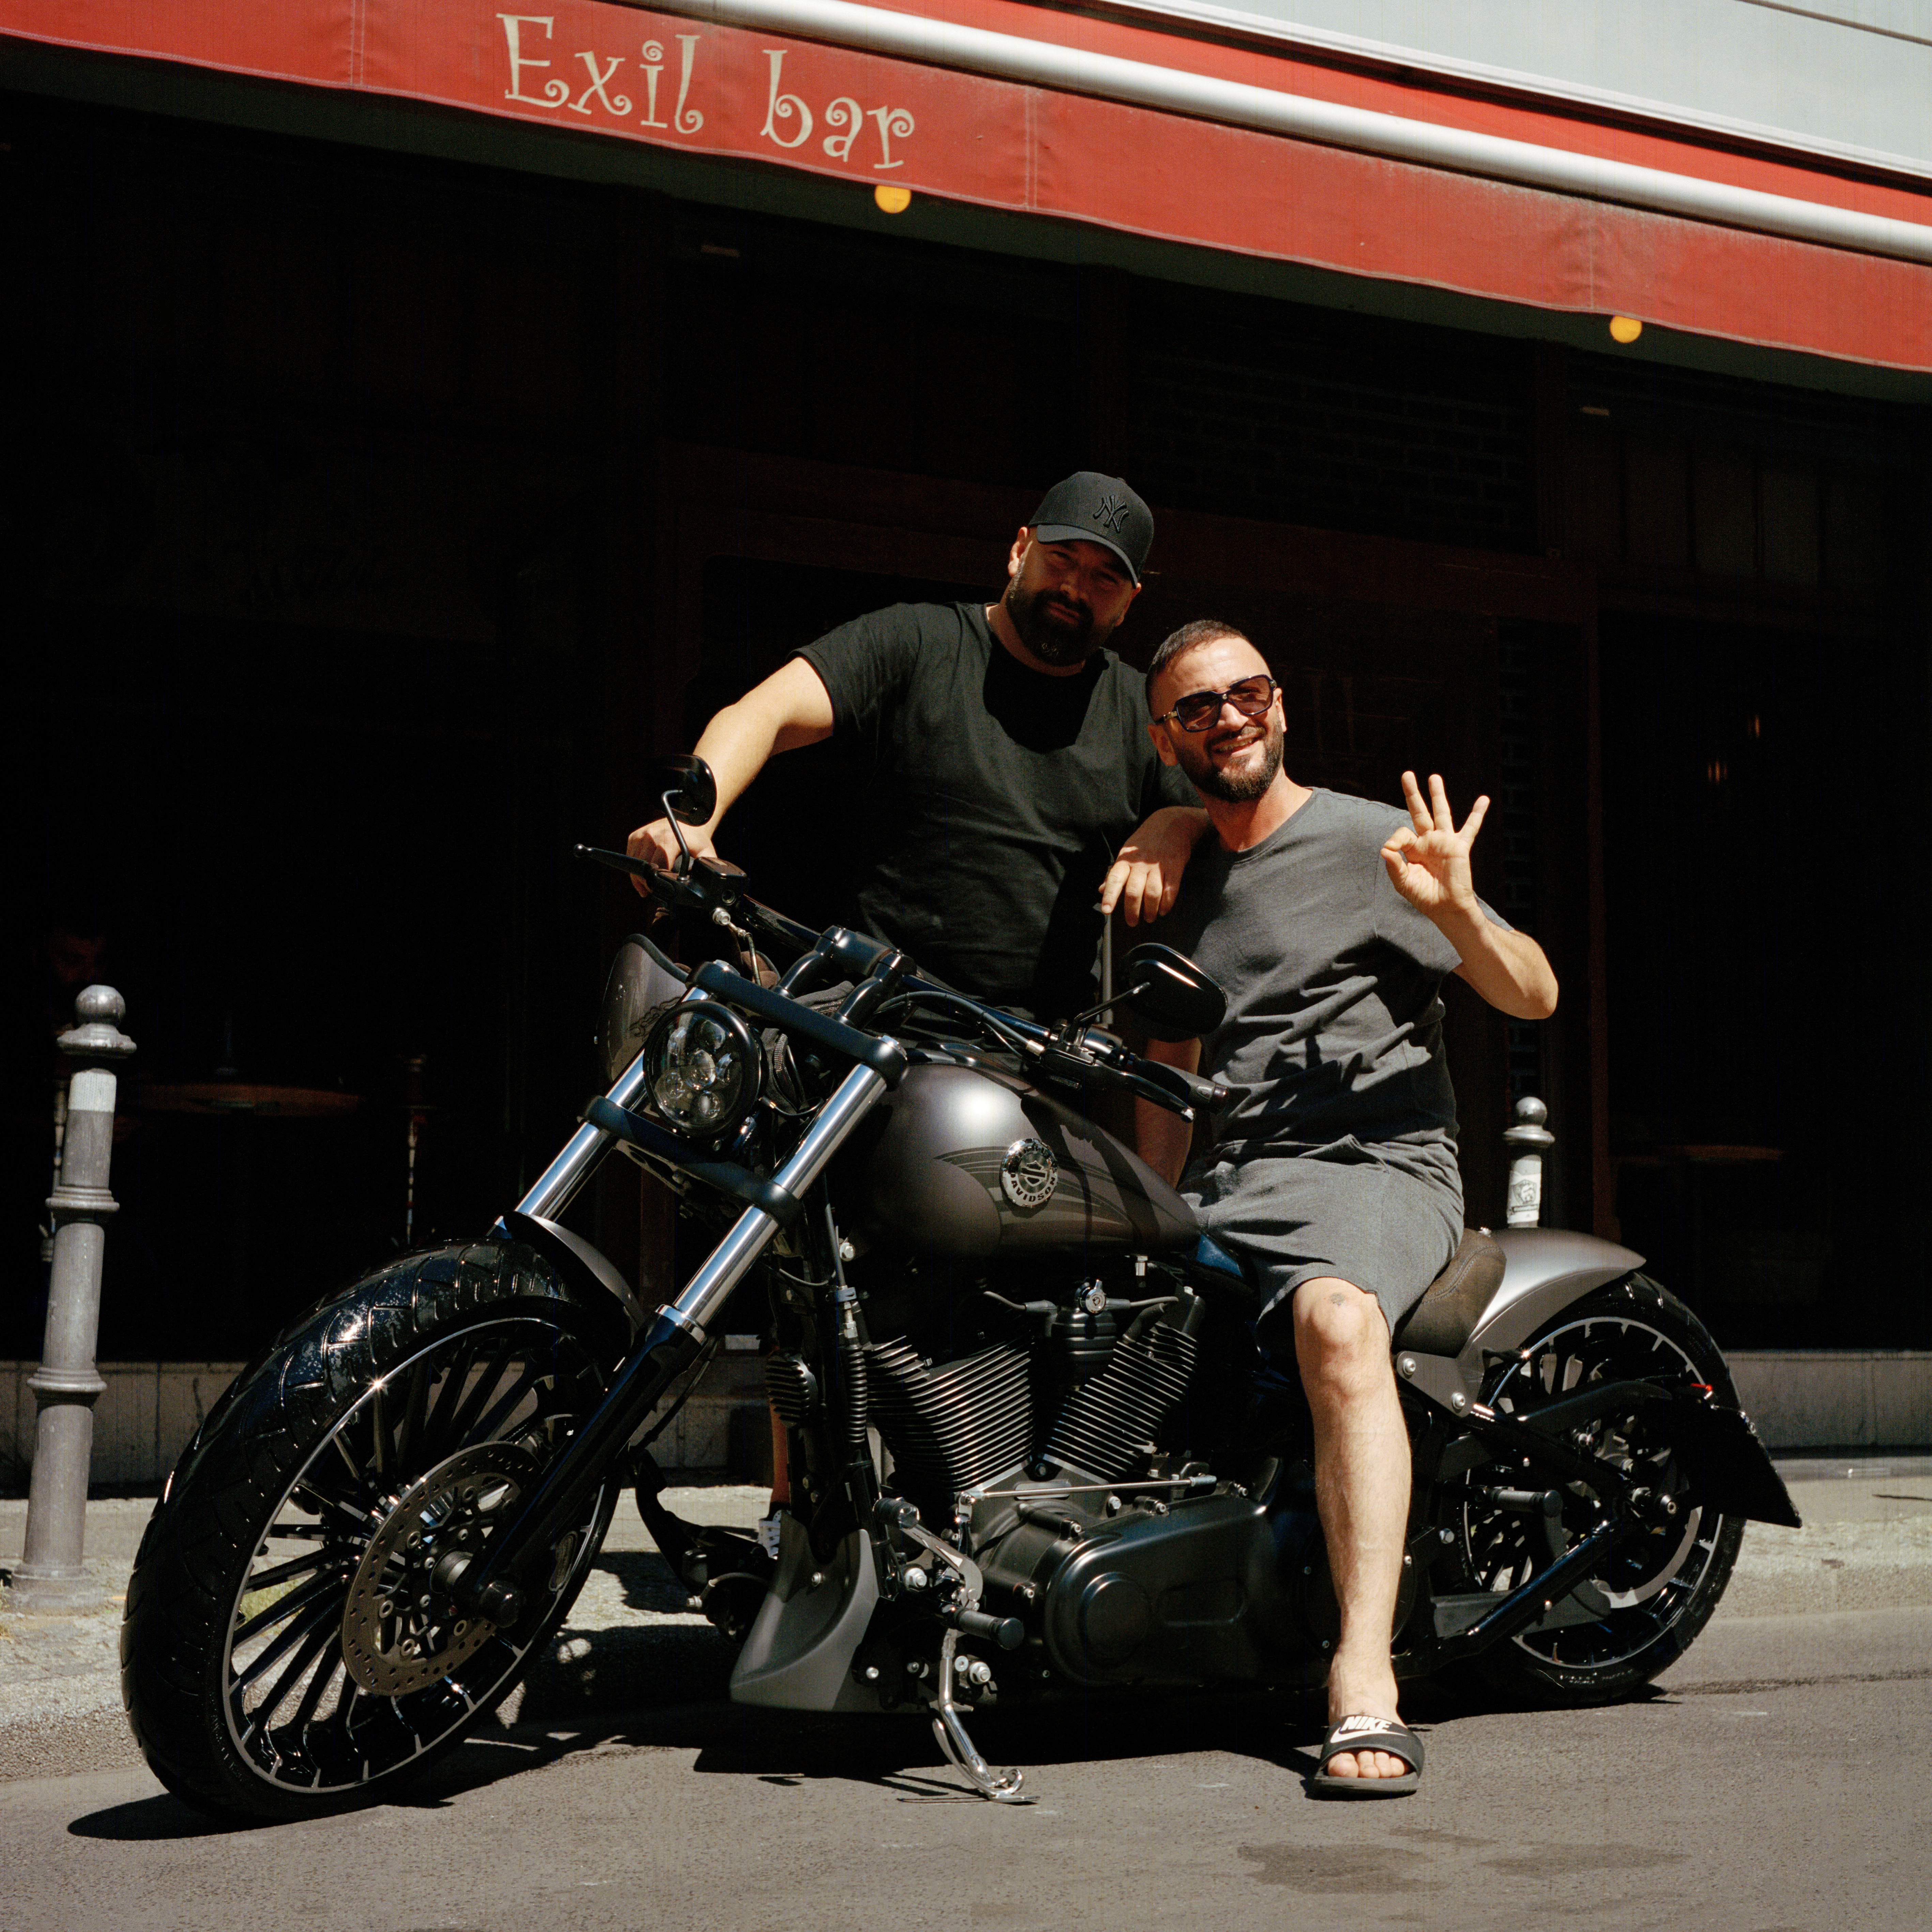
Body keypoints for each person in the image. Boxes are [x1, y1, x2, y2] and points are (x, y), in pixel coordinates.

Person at [1134, 619, 1558, 1797]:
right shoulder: (1178, 871)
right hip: (1238, 1178)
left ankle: (1363, 1674)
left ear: (1281, 704)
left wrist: (1461, 911)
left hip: (1381, 1162)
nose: (1230, 715)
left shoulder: (1376, 840)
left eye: (1249, 691)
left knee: (1333, 1320)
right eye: (1199, 707)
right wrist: (1154, 1214)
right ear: (1166, 740)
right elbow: (1172, 1061)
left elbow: (1534, 994)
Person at [627, 473, 1208, 1018]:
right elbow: (764, 713)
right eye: (1061, 559)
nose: (1074, 588)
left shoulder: (1145, 711)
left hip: (1036, 1053)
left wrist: (1177, 823)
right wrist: (693, 820)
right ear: (1019, 550)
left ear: (1128, 601)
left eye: (1104, 578)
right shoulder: (916, 641)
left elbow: (1237, 817)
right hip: (873, 1011)